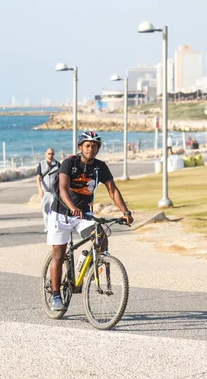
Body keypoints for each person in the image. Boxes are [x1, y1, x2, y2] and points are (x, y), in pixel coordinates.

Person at [47, 131, 134, 312]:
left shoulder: (100, 167)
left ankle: (94, 263)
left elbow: (112, 190)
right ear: (80, 147)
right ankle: (56, 295)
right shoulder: (69, 163)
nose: (91, 149)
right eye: (87, 145)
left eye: (94, 146)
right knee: (59, 254)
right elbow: (63, 189)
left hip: (83, 215)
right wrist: (71, 206)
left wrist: (125, 211)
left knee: (101, 236)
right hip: (61, 214)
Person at [36, 148, 60, 233]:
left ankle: (53, 226)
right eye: (49, 154)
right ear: (46, 154)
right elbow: (38, 177)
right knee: (45, 210)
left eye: (52, 154)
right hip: (45, 192)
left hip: (54, 192)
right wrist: (40, 189)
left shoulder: (57, 164)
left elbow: (60, 178)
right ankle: (47, 227)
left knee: (54, 211)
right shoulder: (41, 164)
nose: (51, 155)